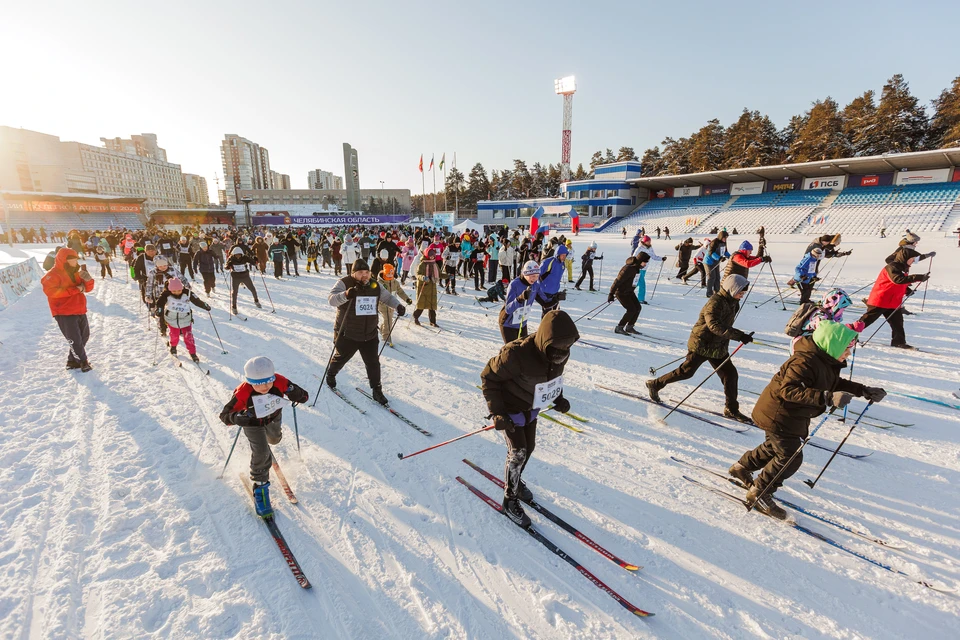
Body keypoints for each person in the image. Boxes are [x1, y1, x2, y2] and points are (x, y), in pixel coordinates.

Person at [731, 321, 885, 519]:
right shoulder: (803, 362)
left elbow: (833, 382)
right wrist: (827, 397)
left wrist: (862, 390)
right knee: (790, 456)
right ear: (833, 345)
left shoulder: (824, 360)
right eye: (847, 349)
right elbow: (788, 390)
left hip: (790, 415)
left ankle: (741, 468)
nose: (849, 354)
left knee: (775, 446)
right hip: (778, 413)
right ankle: (760, 492)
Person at [481, 309, 580, 527]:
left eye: (566, 349)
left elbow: (551, 379)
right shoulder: (516, 354)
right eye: (556, 348)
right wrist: (497, 412)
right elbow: (488, 377)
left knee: (530, 448)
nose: (561, 354)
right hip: (509, 409)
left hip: (531, 407)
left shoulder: (559, 352)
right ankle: (510, 500)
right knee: (518, 452)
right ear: (546, 340)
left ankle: (515, 481)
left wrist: (558, 398)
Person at [646, 274, 753, 422]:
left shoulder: (733, 302)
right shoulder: (715, 302)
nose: (742, 295)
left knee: (730, 375)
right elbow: (714, 325)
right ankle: (655, 384)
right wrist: (739, 335)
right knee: (686, 372)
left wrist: (738, 335)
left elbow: (725, 325)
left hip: (718, 346)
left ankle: (731, 409)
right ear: (731, 289)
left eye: (743, 292)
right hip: (702, 343)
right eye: (740, 292)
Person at [219, 356, 309, 518]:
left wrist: (297, 394)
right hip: (252, 423)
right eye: (258, 383)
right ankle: (260, 487)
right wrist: (237, 417)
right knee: (261, 452)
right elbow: (225, 415)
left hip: (273, 418)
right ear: (249, 381)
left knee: (275, 439)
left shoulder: (280, 381)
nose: (265, 387)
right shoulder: (243, 392)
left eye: (268, 381)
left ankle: (266, 445)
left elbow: (303, 395)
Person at [326, 259, 405, 403]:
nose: (365, 275)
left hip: (369, 333)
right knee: (341, 358)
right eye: (361, 272)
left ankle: (377, 390)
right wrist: (346, 295)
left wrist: (397, 306)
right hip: (348, 332)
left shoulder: (375, 284)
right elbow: (331, 300)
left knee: (373, 363)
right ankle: (331, 373)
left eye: (367, 272)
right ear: (353, 273)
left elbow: (387, 297)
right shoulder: (344, 283)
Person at [857, 244, 933, 349]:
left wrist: (907, 290)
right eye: (912, 259)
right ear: (905, 258)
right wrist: (919, 277)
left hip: (893, 301)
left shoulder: (903, 268)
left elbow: (901, 282)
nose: (913, 261)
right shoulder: (892, 266)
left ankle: (899, 342)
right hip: (881, 299)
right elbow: (897, 279)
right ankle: (848, 336)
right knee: (867, 320)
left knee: (898, 323)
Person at [41, 248, 95, 372]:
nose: (75, 262)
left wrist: (88, 280)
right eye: (72, 260)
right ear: (64, 260)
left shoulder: (77, 272)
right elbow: (51, 292)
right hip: (63, 311)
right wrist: (76, 289)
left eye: (76, 259)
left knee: (84, 336)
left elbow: (87, 288)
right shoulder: (52, 274)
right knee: (74, 339)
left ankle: (72, 361)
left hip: (79, 308)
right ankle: (83, 362)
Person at [156, 277, 212, 362]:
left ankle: (193, 353)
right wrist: (159, 311)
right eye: (174, 291)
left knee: (188, 337)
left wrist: (204, 305)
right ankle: (173, 347)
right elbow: (160, 303)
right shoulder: (166, 294)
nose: (177, 293)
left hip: (185, 319)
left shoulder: (187, 293)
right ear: (170, 289)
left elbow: (197, 301)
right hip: (172, 319)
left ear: (182, 288)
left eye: (179, 290)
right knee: (174, 335)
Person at [500, 261, 541, 343]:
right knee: (512, 351)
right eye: (532, 276)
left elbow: (544, 301)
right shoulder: (514, 284)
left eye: (537, 276)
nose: (535, 279)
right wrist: (520, 298)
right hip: (508, 323)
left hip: (522, 322)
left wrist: (556, 298)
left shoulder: (535, 284)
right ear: (525, 274)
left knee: (523, 351)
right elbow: (508, 309)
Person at [608, 253, 648, 335]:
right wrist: (611, 293)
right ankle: (619, 327)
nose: (645, 264)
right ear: (640, 261)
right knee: (631, 309)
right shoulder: (627, 269)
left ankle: (630, 327)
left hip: (629, 292)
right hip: (621, 292)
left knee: (638, 307)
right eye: (644, 262)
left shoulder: (636, 268)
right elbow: (617, 281)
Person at [377, 264, 412, 345]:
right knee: (388, 320)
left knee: (389, 321)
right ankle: (386, 338)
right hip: (382, 305)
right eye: (388, 273)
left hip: (393, 305)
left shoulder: (395, 282)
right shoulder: (380, 283)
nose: (390, 275)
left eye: (391, 273)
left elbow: (400, 292)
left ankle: (383, 329)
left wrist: (407, 299)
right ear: (384, 273)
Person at [226, 246, 262, 315]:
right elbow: (226, 266)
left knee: (252, 289)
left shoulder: (245, 257)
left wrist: (255, 260)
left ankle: (256, 300)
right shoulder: (231, 258)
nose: (238, 256)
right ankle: (234, 307)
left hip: (245, 276)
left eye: (239, 255)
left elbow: (253, 262)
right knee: (235, 292)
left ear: (241, 254)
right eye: (236, 255)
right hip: (236, 277)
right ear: (234, 254)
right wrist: (228, 265)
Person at [632, 235, 667, 304]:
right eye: (648, 241)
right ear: (644, 241)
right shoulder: (639, 248)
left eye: (650, 241)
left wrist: (661, 258)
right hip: (638, 269)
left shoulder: (650, 248)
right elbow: (633, 258)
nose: (649, 242)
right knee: (642, 284)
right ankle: (640, 299)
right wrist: (638, 264)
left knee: (637, 284)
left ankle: (626, 293)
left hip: (644, 269)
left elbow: (654, 256)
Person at [535, 244, 568, 316]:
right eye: (563, 255)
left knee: (556, 313)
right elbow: (537, 275)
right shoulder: (548, 262)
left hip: (555, 292)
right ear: (558, 254)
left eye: (565, 255)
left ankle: (554, 327)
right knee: (547, 313)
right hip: (545, 292)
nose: (564, 257)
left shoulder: (562, 264)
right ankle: (544, 326)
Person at [413, 248, 441, 327]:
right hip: (424, 286)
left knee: (432, 306)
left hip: (432, 287)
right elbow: (418, 274)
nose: (432, 257)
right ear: (426, 255)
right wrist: (423, 277)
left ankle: (433, 321)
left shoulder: (434, 264)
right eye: (430, 255)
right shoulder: (422, 264)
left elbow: (440, 274)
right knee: (421, 305)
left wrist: (448, 276)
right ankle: (415, 317)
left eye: (433, 255)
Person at [703, 231, 730, 297]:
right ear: (721, 236)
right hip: (709, 262)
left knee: (717, 277)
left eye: (726, 238)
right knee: (712, 277)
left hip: (716, 262)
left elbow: (725, 252)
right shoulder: (714, 242)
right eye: (724, 237)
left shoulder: (724, 243)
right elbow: (711, 253)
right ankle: (709, 293)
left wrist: (731, 257)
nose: (725, 239)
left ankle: (717, 292)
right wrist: (719, 258)